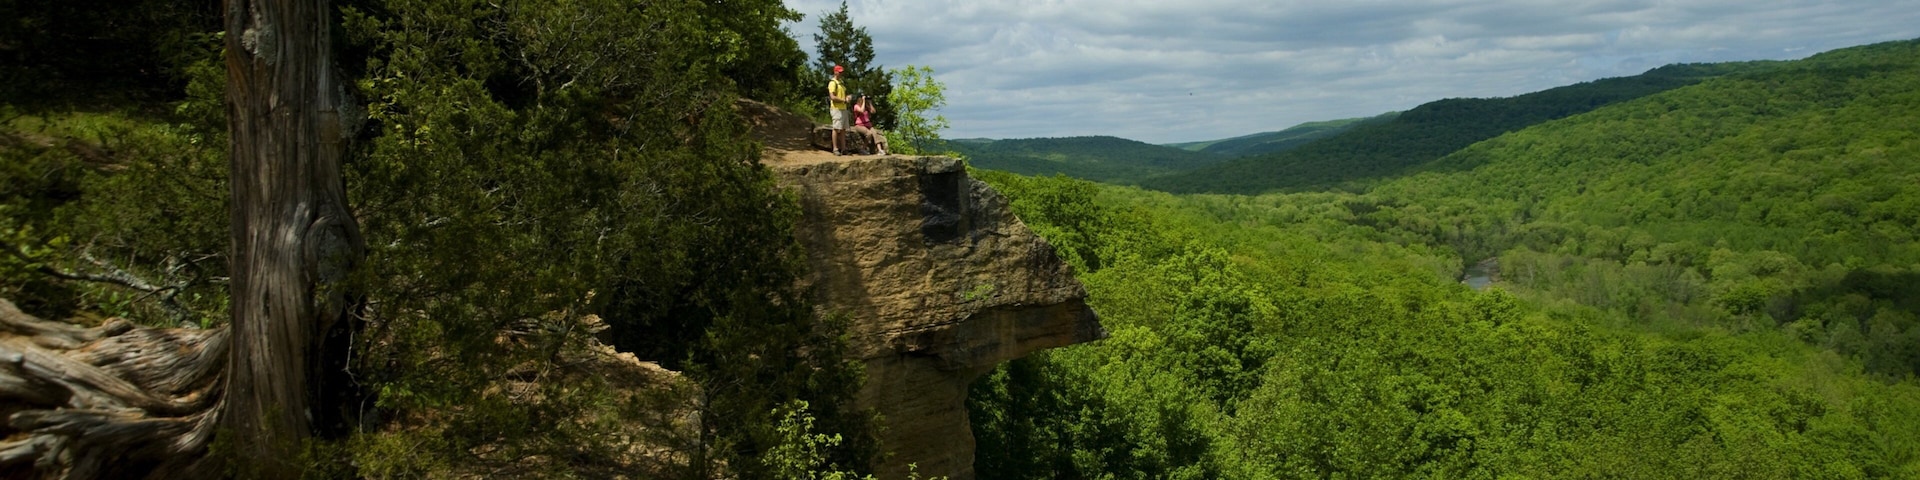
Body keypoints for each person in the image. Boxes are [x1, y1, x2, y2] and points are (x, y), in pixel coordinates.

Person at [827, 65, 852, 155]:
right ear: (835, 72)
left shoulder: (841, 83)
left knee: (843, 129)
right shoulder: (833, 83)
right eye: (839, 72)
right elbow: (832, 97)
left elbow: (843, 95)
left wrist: (847, 97)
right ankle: (835, 148)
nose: (841, 73)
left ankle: (844, 149)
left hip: (843, 108)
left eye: (841, 72)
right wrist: (844, 100)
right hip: (836, 108)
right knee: (836, 128)